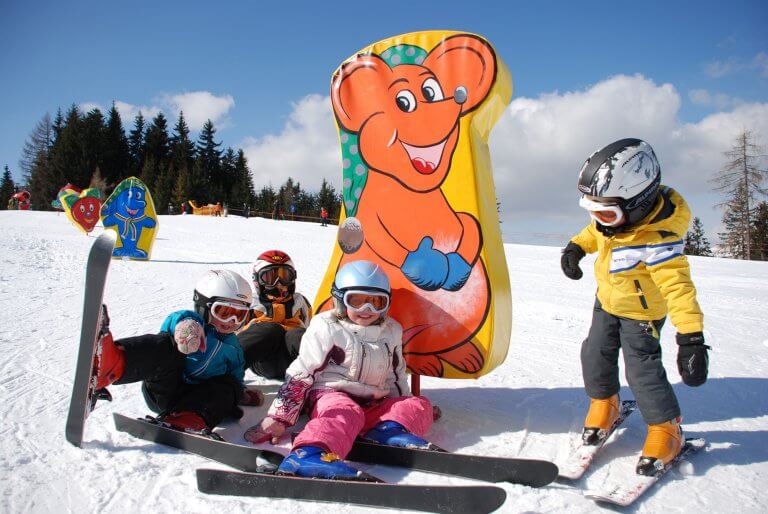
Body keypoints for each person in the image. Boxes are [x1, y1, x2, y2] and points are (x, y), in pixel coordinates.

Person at [560, 138, 709, 475]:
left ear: (638, 203)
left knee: (641, 371)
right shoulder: (612, 222)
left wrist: (691, 339)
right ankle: (605, 403)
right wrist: (575, 248)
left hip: (641, 315)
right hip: (607, 302)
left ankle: (665, 428)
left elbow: (679, 290)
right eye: (592, 209)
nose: (598, 219)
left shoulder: (659, 241)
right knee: (594, 353)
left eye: (606, 212)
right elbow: (593, 232)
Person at [244, 260, 435, 480]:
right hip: (331, 395)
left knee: (419, 404)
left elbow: (396, 375)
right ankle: (310, 453)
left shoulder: (391, 330)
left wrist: (402, 410)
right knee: (345, 412)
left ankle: (388, 431)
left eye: (376, 302)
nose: (367, 310)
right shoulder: (327, 326)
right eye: (357, 301)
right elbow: (302, 372)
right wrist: (280, 419)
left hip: (374, 402)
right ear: (340, 300)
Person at [95, 270, 264, 433]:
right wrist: (188, 327)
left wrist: (238, 392)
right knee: (165, 346)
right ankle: (112, 364)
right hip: (165, 390)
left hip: (198, 400)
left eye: (239, 315)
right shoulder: (193, 322)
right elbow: (178, 318)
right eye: (224, 312)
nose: (231, 321)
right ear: (204, 306)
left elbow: (235, 373)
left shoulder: (233, 347)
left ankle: (187, 419)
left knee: (228, 385)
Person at [238, 250, 312, 380]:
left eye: (285, 276)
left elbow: (309, 328)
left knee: (296, 334)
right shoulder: (251, 304)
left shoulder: (301, 303)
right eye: (270, 277)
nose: (279, 283)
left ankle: (326, 375)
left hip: (292, 361)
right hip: (262, 360)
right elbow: (238, 336)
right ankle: (223, 371)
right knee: (270, 329)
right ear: (258, 280)